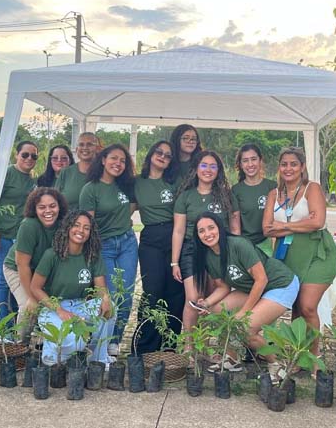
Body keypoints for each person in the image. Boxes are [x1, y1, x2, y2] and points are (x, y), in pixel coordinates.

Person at [192, 212, 299, 380]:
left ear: (220, 228)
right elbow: (223, 286)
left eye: (211, 228)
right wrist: (206, 303)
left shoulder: (238, 244)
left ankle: (277, 366)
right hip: (254, 287)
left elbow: (261, 279)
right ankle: (232, 358)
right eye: (202, 231)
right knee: (216, 310)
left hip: (280, 284)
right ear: (197, 236)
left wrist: (244, 312)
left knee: (245, 328)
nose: (207, 234)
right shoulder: (208, 255)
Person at [262, 147, 336, 355]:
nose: (288, 168)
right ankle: (297, 356)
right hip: (288, 254)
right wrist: (303, 222)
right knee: (296, 307)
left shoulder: (312, 188)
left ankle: (313, 356)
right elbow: (267, 228)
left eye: (293, 164)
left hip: (317, 253)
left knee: (307, 306)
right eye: (284, 164)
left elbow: (318, 221)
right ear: (279, 168)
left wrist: (285, 227)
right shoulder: (273, 194)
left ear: (302, 167)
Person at [30, 210, 113, 365]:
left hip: (80, 305)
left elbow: (101, 289)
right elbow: (35, 288)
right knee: (75, 342)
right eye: (76, 225)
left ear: (90, 233)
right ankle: (51, 350)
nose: (81, 231)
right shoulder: (52, 255)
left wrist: (106, 298)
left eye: (86, 228)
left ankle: (98, 360)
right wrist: (59, 310)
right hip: (53, 308)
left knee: (110, 308)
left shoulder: (92, 255)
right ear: (68, 228)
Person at [172, 150, 241, 337]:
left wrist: (235, 256)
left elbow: (235, 229)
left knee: (211, 300)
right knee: (193, 298)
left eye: (213, 166)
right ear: (196, 169)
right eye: (204, 165)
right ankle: (189, 347)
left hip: (219, 251)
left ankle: (206, 348)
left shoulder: (227, 196)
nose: (208, 170)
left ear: (218, 171)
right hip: (191, 250)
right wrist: (174, 262)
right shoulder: (185, 197)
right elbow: (178, 231)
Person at [79, 143, 138, 356]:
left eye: (123, 161)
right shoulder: (91, 189)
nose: (118, 164)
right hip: (104, 246)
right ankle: (98, 341)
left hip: (128, 244)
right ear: (103, 160)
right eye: (114, 158)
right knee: (109, 295)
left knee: (126, 294)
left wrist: (124, 221)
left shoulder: (126, 186)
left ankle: (114, 341)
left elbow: (132, 207)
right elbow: (88, 226)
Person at [133, 140, 184, 353]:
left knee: (175, 291)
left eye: (168, 155)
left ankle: (170, 345)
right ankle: (144, 347)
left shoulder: (175, 182)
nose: (162, 156)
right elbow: (125, 209)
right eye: (159, 152)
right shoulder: (136, 182)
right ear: (151, 154)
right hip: (150, 238)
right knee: (152, 292)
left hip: (174, 235)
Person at [3, 188, 68, 338]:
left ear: (60, 206)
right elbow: (22, 265)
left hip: (41, 271)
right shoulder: (29, 225)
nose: (48, 211)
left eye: (52, 206)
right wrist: (32, 296)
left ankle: (42, 343)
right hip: (17, 268)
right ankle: (20, 345)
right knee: (29, 307)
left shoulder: (63, 224)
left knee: (51, 303)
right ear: (34, 209)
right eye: (42, 207)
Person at [0, 140, 39, 323]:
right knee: (3, 280)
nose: (29, 158)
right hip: (4, 236)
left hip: (22, 238)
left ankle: (16, 320)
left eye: (34, 156)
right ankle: (5, 324)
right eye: (25, 154)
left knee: (18, 280)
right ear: (17, 155)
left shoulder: (32, 179)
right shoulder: (6, 173)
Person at [232, 143, 277, 255]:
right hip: (246, 246)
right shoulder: (235, 190)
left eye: (253, 159)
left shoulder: (273, 186)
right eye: (245, 160)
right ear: (241, 165)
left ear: (260, 161)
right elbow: (235, 227)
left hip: (269, 244)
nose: (250, 164)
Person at [55, 132, 102, 208]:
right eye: (81, 144)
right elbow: (55, 200)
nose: (85, 148)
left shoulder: (104, 173)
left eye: (89, 144)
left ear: (97, 149)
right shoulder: (66, 172)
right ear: (77, 149)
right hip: (68, 219)